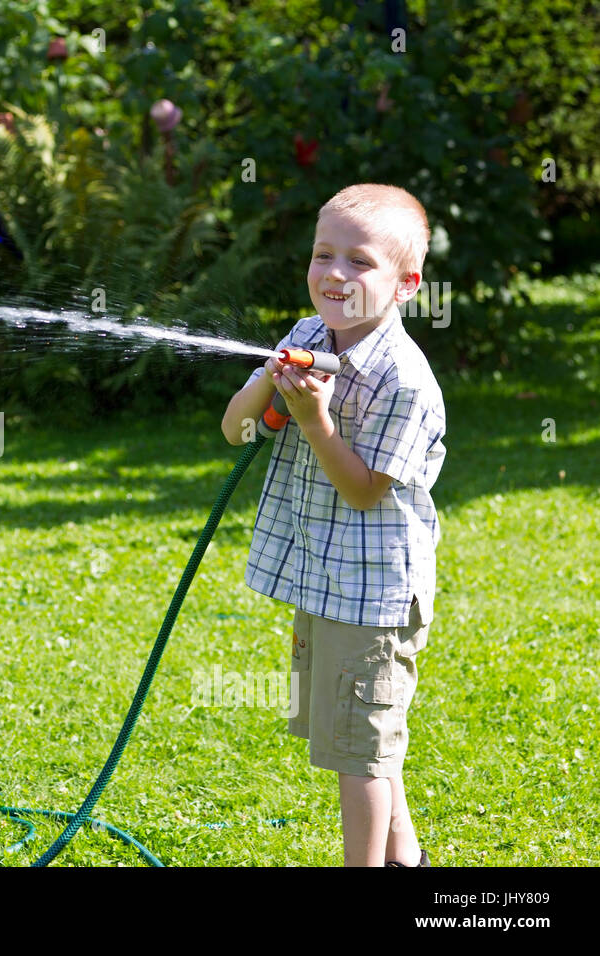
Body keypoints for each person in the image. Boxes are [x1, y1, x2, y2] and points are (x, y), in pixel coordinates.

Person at [220, 183, 446, 867]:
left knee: (362, 757)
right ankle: (405, 857)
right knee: (358, 737)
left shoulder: (405, 379)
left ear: (406, 284)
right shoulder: (307, 335)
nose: (335, 274)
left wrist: (316, 423)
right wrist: (269, 380)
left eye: (360, 261)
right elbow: (236, 429)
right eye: (324, 255)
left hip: (372, 594)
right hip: (324, 577)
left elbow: (362, 488)